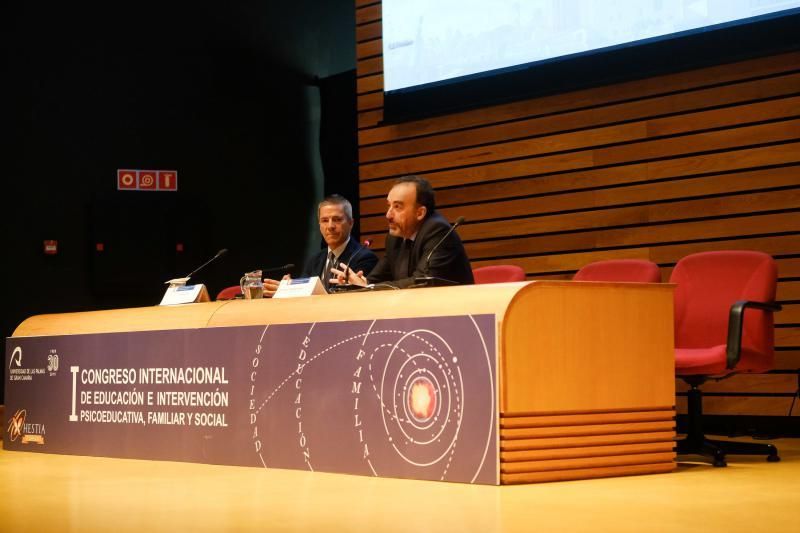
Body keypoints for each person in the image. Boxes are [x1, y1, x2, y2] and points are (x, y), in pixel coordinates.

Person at [332, 175, 473, 289]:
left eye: (397, 207)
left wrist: (370, 287)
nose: (388, 215)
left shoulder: (438, 232)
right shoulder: (396, 237)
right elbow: (376, 279)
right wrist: (356, 283)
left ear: (420, 213)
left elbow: (422, 282)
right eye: (389, 206)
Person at [263, 194, 377, 296]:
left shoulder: (365, 258)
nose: (330, 226)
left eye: (337, 219)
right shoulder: (314, 261)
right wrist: (288, 290)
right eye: (325, 220)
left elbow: (352, 297)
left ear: (351, 223)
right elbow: (304, 295)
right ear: (319, 225)